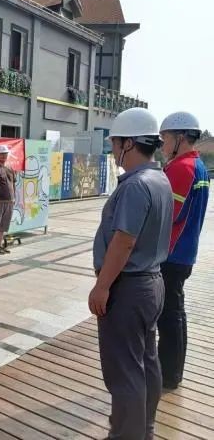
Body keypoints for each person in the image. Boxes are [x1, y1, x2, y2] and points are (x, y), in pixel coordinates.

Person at [89, 108, 173, 440]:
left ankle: (126, 435)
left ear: (128, 143)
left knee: (124, 372)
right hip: (151, 283)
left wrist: (101, 287)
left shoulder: (136, 185)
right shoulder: (160, 179)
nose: (112, 150)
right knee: (146, 362)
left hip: (128, 288)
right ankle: (143, 430)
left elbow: (124, 241)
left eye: (114, 143)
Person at [157, 111, 209, 390]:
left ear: (180, 137)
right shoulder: (199, 166)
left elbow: (169, 214)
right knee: (176, 312)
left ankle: (168, 373)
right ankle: (172, 369)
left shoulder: (181, 168)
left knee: (169, 316)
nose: (162, 143)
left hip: (171, 254)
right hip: (184, 252)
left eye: (165, 137)